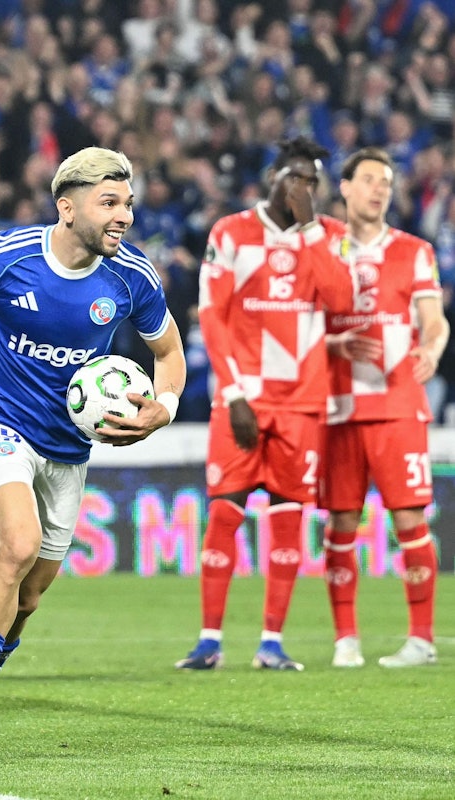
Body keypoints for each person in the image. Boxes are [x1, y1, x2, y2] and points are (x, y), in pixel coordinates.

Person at [0, 147, 186, 752]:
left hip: (69, 444)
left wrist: (164, 409)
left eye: (127, 203)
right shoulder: (3, 258)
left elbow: (170, 353)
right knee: (15, 544)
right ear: (66, 207)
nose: (123, 215)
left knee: (33, 591)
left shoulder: (134, 278)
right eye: (109, 202)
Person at [175, 137, 357, 673]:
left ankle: (271, 643)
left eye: (311, 182)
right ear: (273, 176)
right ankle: (209, 640)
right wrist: (232, 394)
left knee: (286, 522)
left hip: (301, 404)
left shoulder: (333, 236)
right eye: (294, 177)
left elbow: (342, 301)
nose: (303, 188)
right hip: (242, 400)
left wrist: (309, 232)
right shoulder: (231, 232)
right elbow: (212, 317)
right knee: (225, 514)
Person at [321, 147, 449, 668]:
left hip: (398, 404)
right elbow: (302, 321)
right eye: (369, 179)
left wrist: (432, 350)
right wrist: (333, 346)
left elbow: (434, 319)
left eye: (387, 183)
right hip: (339, 404)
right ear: (345, 186)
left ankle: (421, 638)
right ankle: (345, 639)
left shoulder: (414, 250)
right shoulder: (322, 247)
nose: (379, 189)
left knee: (410, 518)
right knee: (342, 521)